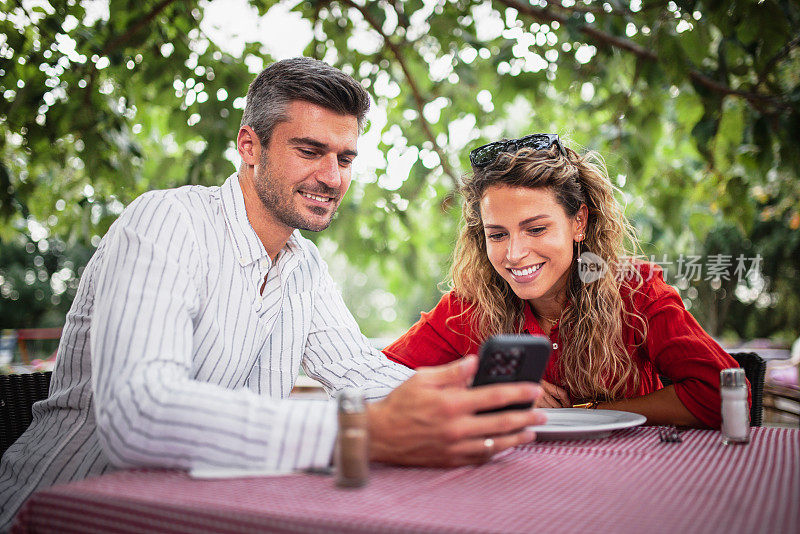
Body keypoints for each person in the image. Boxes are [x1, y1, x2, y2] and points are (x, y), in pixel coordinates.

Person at [0, 58, 544, 531]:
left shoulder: (303, 266)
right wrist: (361, 431)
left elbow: (363, 373)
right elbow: (140, 414)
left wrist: (477, 400)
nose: (332, 177)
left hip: (205, 513)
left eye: (346, 158)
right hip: (61, 513)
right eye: (310, 150)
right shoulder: (167, 222)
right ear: (249, 146)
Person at [383, 133, 748, 429]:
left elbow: (727, 395)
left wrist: (589, 413)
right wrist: (490, 389)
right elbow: (375, 381)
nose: (513, 254)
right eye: (497, 235)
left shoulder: (635, 290)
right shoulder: (468, 306)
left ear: (579, 222)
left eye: (536, 229)